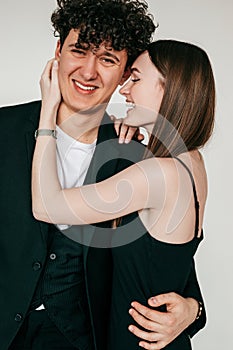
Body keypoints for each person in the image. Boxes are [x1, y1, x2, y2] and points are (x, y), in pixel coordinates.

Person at [0, 1, 206, 349]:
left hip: (85, 339)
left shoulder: (137, 153)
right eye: (79, 51)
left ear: (126, 73)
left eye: (108, 59)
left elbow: (167, 255)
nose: (89, 72)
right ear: (58, 52)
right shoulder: (3, 129)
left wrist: (193, 308)